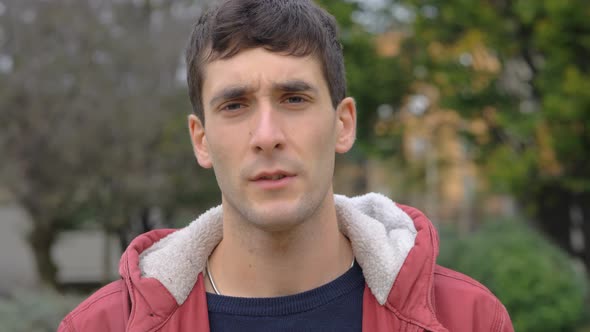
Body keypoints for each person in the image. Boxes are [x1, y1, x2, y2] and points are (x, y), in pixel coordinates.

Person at [59, 0, 514, 331]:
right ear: (201, 140)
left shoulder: (468, 318)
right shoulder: (103, 325)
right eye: (235, 105)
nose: (266, 135)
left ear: (343, 124)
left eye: (294, 98)